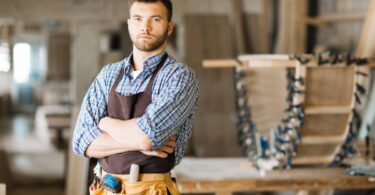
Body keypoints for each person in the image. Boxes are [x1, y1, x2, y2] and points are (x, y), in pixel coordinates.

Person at [72, 0, 199, 194]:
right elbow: (82, 141)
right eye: (138, 19)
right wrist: (137, 142)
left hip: (151, 189)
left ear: (169, 26)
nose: (145, 27)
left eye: (155, 19)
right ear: (130, 23)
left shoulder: (179, 77)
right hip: (106, 189)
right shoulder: (108, 75)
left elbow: (147, 137)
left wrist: (105, 123)